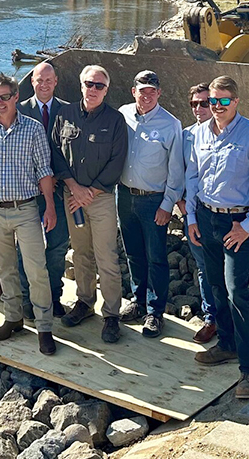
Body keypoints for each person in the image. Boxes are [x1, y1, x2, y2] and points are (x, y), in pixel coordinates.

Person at [185, 76, 249, 400]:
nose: (218, 107)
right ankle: (226, 344)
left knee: (238, 292)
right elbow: (193, 176)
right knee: (214, 286)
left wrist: (248, 226)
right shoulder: (198, 134)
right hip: (206, 218)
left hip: (236, 223)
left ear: (236, 102)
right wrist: (192, 218)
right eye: (213, 101)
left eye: (224, 101)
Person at [0, 74, 60, 355]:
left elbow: (44, 170)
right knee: (5, 268)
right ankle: (13, 317)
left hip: (26, 209)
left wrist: (50, 207)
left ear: (16, 97)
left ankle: (44, 327)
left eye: (4, 97)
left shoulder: (32, 129)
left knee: (36, 269)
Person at [52, 64, 129, 343]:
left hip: (101, 199)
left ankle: (111, 315)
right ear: (81, 85)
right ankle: (84, 303)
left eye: (99, 86)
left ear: (106, 90)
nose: (93, 89)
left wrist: (90, 192)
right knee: (81, 253)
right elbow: (55, 154)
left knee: (107, 257)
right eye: (89, 84)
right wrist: (74, 187)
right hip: (72, 197)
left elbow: (117, 161)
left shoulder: (116, 120)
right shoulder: (65, 114)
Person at [117, 70, 184, 338]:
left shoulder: (171, 124)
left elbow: (176, 169)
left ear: (159, 93)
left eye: (152, 91)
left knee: (156, 257)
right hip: (124, 194)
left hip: (153, 199)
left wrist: (168, 204)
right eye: (142, 90)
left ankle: (155, 313)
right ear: (134, 91)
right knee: (133, 252)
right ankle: (138, 300)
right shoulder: (122, 114)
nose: (146, 95)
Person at [17, 62, 70, 320]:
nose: (44, 84)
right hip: (27, 191)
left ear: (56, 81)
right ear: (32, 82)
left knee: (58, 246)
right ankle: (27, 298)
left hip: (59, 191)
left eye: (49, 80)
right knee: (25, 248)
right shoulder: (19, 110)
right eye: (40, 80)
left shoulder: (69, 111)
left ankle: (54, 296)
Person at [181, 83, 218, 344]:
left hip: (222, 213)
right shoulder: (186, 136)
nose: (199, 108)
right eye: (195, 104)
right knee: (204, 268)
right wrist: (181, 203)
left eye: (204, 103)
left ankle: (232, 320)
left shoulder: (228, 133)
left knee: (227, 269)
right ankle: (212, 318)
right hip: (194, 213)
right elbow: (179, 171)